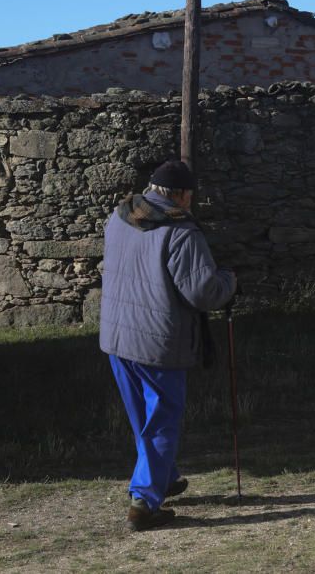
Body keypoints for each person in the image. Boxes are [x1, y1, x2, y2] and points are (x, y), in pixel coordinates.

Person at [100, 159, 236, 531]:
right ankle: (144, 502)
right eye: (190, 194)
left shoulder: (121, 216)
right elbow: (203, 292)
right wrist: (229, 281)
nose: (191, 201)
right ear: (179, 194)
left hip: (117, 336)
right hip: (158, 340)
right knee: (161, 422)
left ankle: (165, 475)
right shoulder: (180, 232)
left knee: (142, 417)